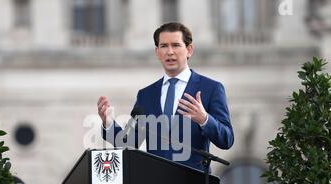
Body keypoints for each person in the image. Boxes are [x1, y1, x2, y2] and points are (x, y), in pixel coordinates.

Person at [97, 22, 234, 172]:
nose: (169, 52)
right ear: (157, 52)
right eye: (164, 46)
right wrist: (108, 123)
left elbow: (226, 139)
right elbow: (130, 141)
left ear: (189, 50)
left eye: (175, 45)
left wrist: (204, 119)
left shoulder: (211, 88)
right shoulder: (146, 95)